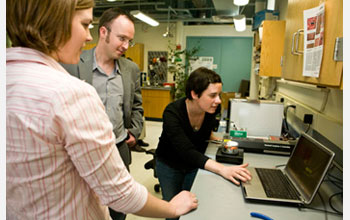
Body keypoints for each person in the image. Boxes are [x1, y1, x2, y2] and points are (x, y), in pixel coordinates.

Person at [6, 0, 198, 219]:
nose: (89, 36)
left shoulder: (10, 77)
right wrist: (172, 208)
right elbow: (120, 192)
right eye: (85, 24)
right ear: (55, 21)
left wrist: (134, 132)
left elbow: (136, 105)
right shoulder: (70, 87)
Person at [61, 8, 147, 219]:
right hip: (80, 152)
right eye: (121, 38)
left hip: (118, 149)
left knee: (119, 210)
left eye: (130, 41)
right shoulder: (72, 63)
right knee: (84, 207)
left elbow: (137, 105)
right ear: (103, 32)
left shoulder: (131, 69)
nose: (126, 46)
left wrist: (135, 132)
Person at [155, 67, 252, 220]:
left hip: (194, 165)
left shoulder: (211, 109)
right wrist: (223, 169)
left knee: (192, 208)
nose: (218, 101)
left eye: (219, 95)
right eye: (213, 95)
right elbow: (186, 150)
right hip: (170, 166)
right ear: (194, 94)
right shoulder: (172, 113)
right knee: (173, 210)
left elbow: (205, 133)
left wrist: (220, 140)